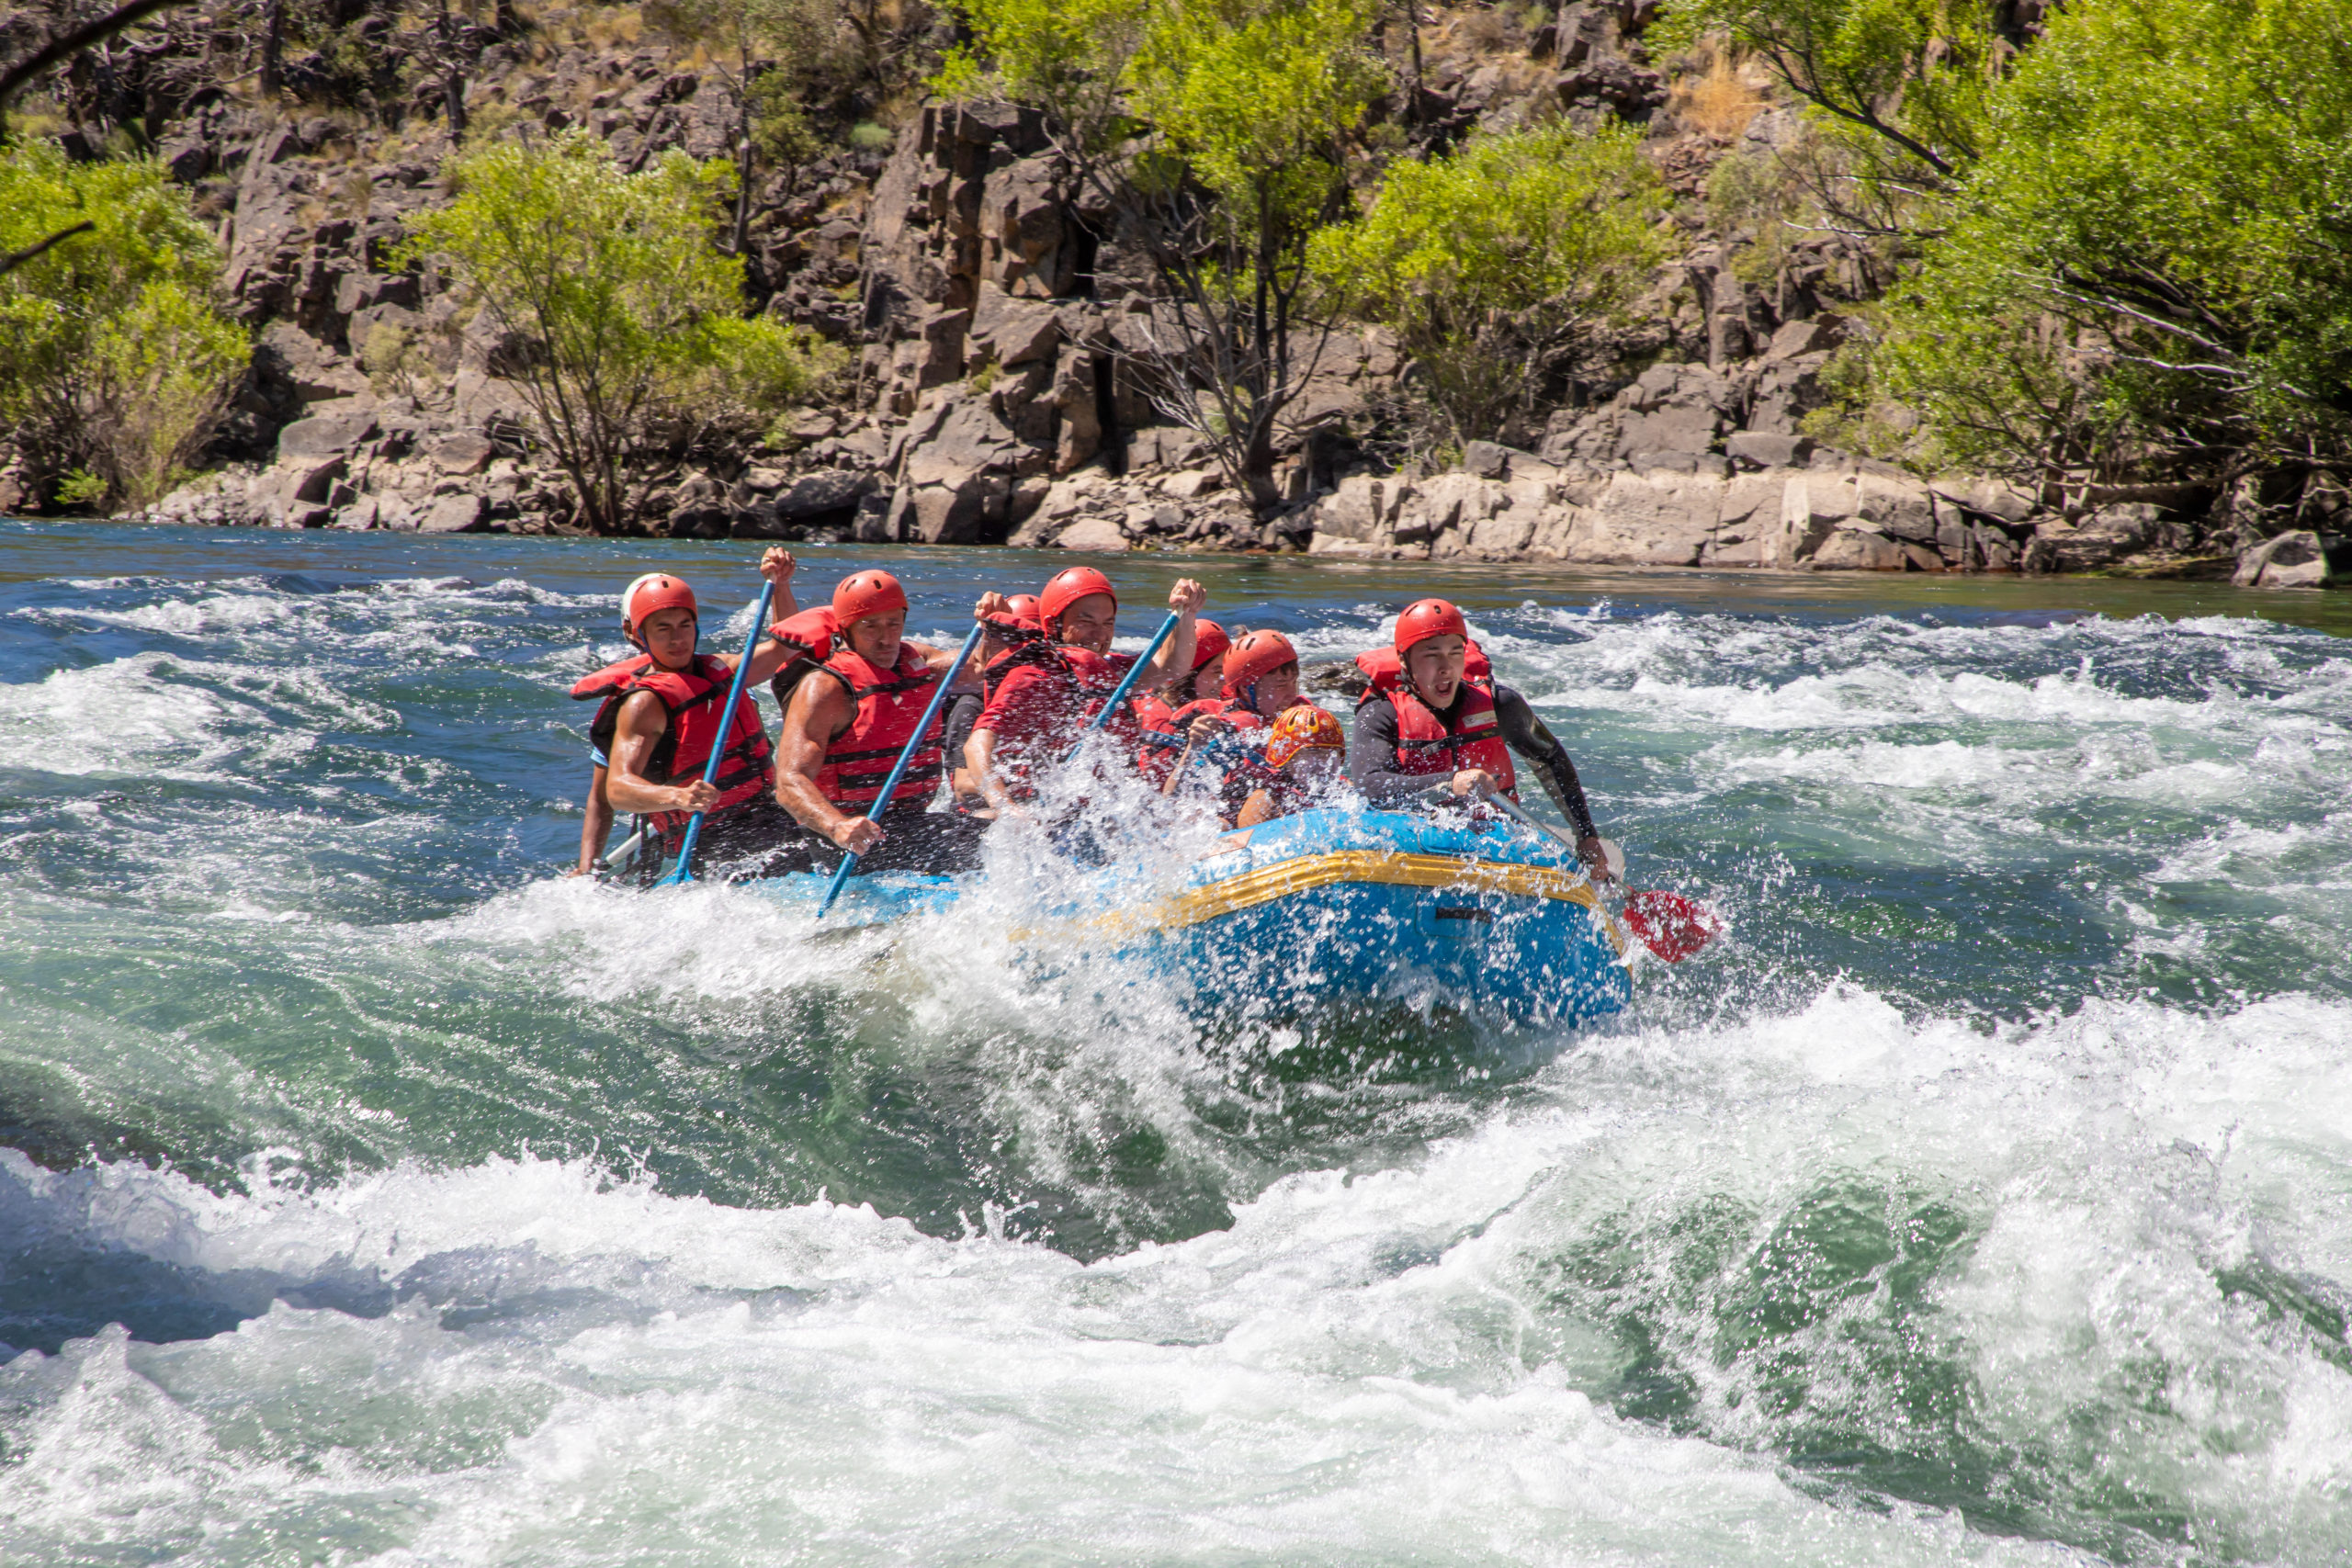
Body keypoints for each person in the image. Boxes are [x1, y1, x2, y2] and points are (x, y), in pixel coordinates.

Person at [571, 550, 805, 880]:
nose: (678, 639)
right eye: (663, 629)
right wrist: (679, 796)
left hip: (771, 816)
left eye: (685, 625)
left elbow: (786, 650)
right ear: (639, 635)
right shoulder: (642, 703)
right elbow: (614, 791)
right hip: (710, 840)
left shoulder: (722, 670)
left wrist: (780, 585)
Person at [1351, 597, 1613, 881]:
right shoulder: (1381, 714)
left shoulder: (1501, 704)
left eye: (1454, 653)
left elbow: (1551, 760)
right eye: (1431, 655)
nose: (1446, 667)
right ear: (1404, 659)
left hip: (1496, 844)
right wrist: (1450, 783)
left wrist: (1586, 836)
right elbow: (1370, 785)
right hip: (1416, 850)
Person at [772, 570, 989, 876]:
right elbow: (789, 781)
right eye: (870, 626)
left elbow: (982, 669)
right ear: (846, 629)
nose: (886, 638)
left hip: (911, 822)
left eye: (893, 624)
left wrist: (993, 625)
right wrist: (837, 826)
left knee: (1003, 836)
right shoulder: (825, 688)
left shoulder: (918, 661)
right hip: (850, 838)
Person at [964, 566, 1208, 815]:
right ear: (1055, 625)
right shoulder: (1034, 675)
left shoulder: (1109, 669)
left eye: (1108, 623)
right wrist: (1004, 806)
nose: (1100, 634)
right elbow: (976, 745)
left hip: (1098, 812)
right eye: (1086, 621)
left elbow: (1170, 668)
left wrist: (1186, 614)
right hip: (1038, 812)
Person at [1159, 628, 1316, 818]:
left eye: (1294, 682)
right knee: (1261, 800)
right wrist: (1194, 747)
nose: (1292, 695)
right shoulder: (1221, 729)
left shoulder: (1301, 718)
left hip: (1291, 809)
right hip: (1231, 819)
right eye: (1281, 685)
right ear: (1245, 687)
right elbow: (1171, 798)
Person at [944, 592, 1041, 812]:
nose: (1018, 655)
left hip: (1027, 805)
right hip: (975, 815)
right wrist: (1014, 798)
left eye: (1029, 648)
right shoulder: (971, 707)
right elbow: (964, 786)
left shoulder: (1044, 703)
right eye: (1007, 645)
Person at [1133, 617, 1228, 786]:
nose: (1224, 680)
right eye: (1217, 672)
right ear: (1187, 676)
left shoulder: (1218, 694)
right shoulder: (1162, 729)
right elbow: (1162, 800)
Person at [1234, 703, 1350, 828]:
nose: (1326, 760)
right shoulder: (1265, 800)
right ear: (1287, 759)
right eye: (1314, 751)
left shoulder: (1345, 791)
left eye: (1333, 752)